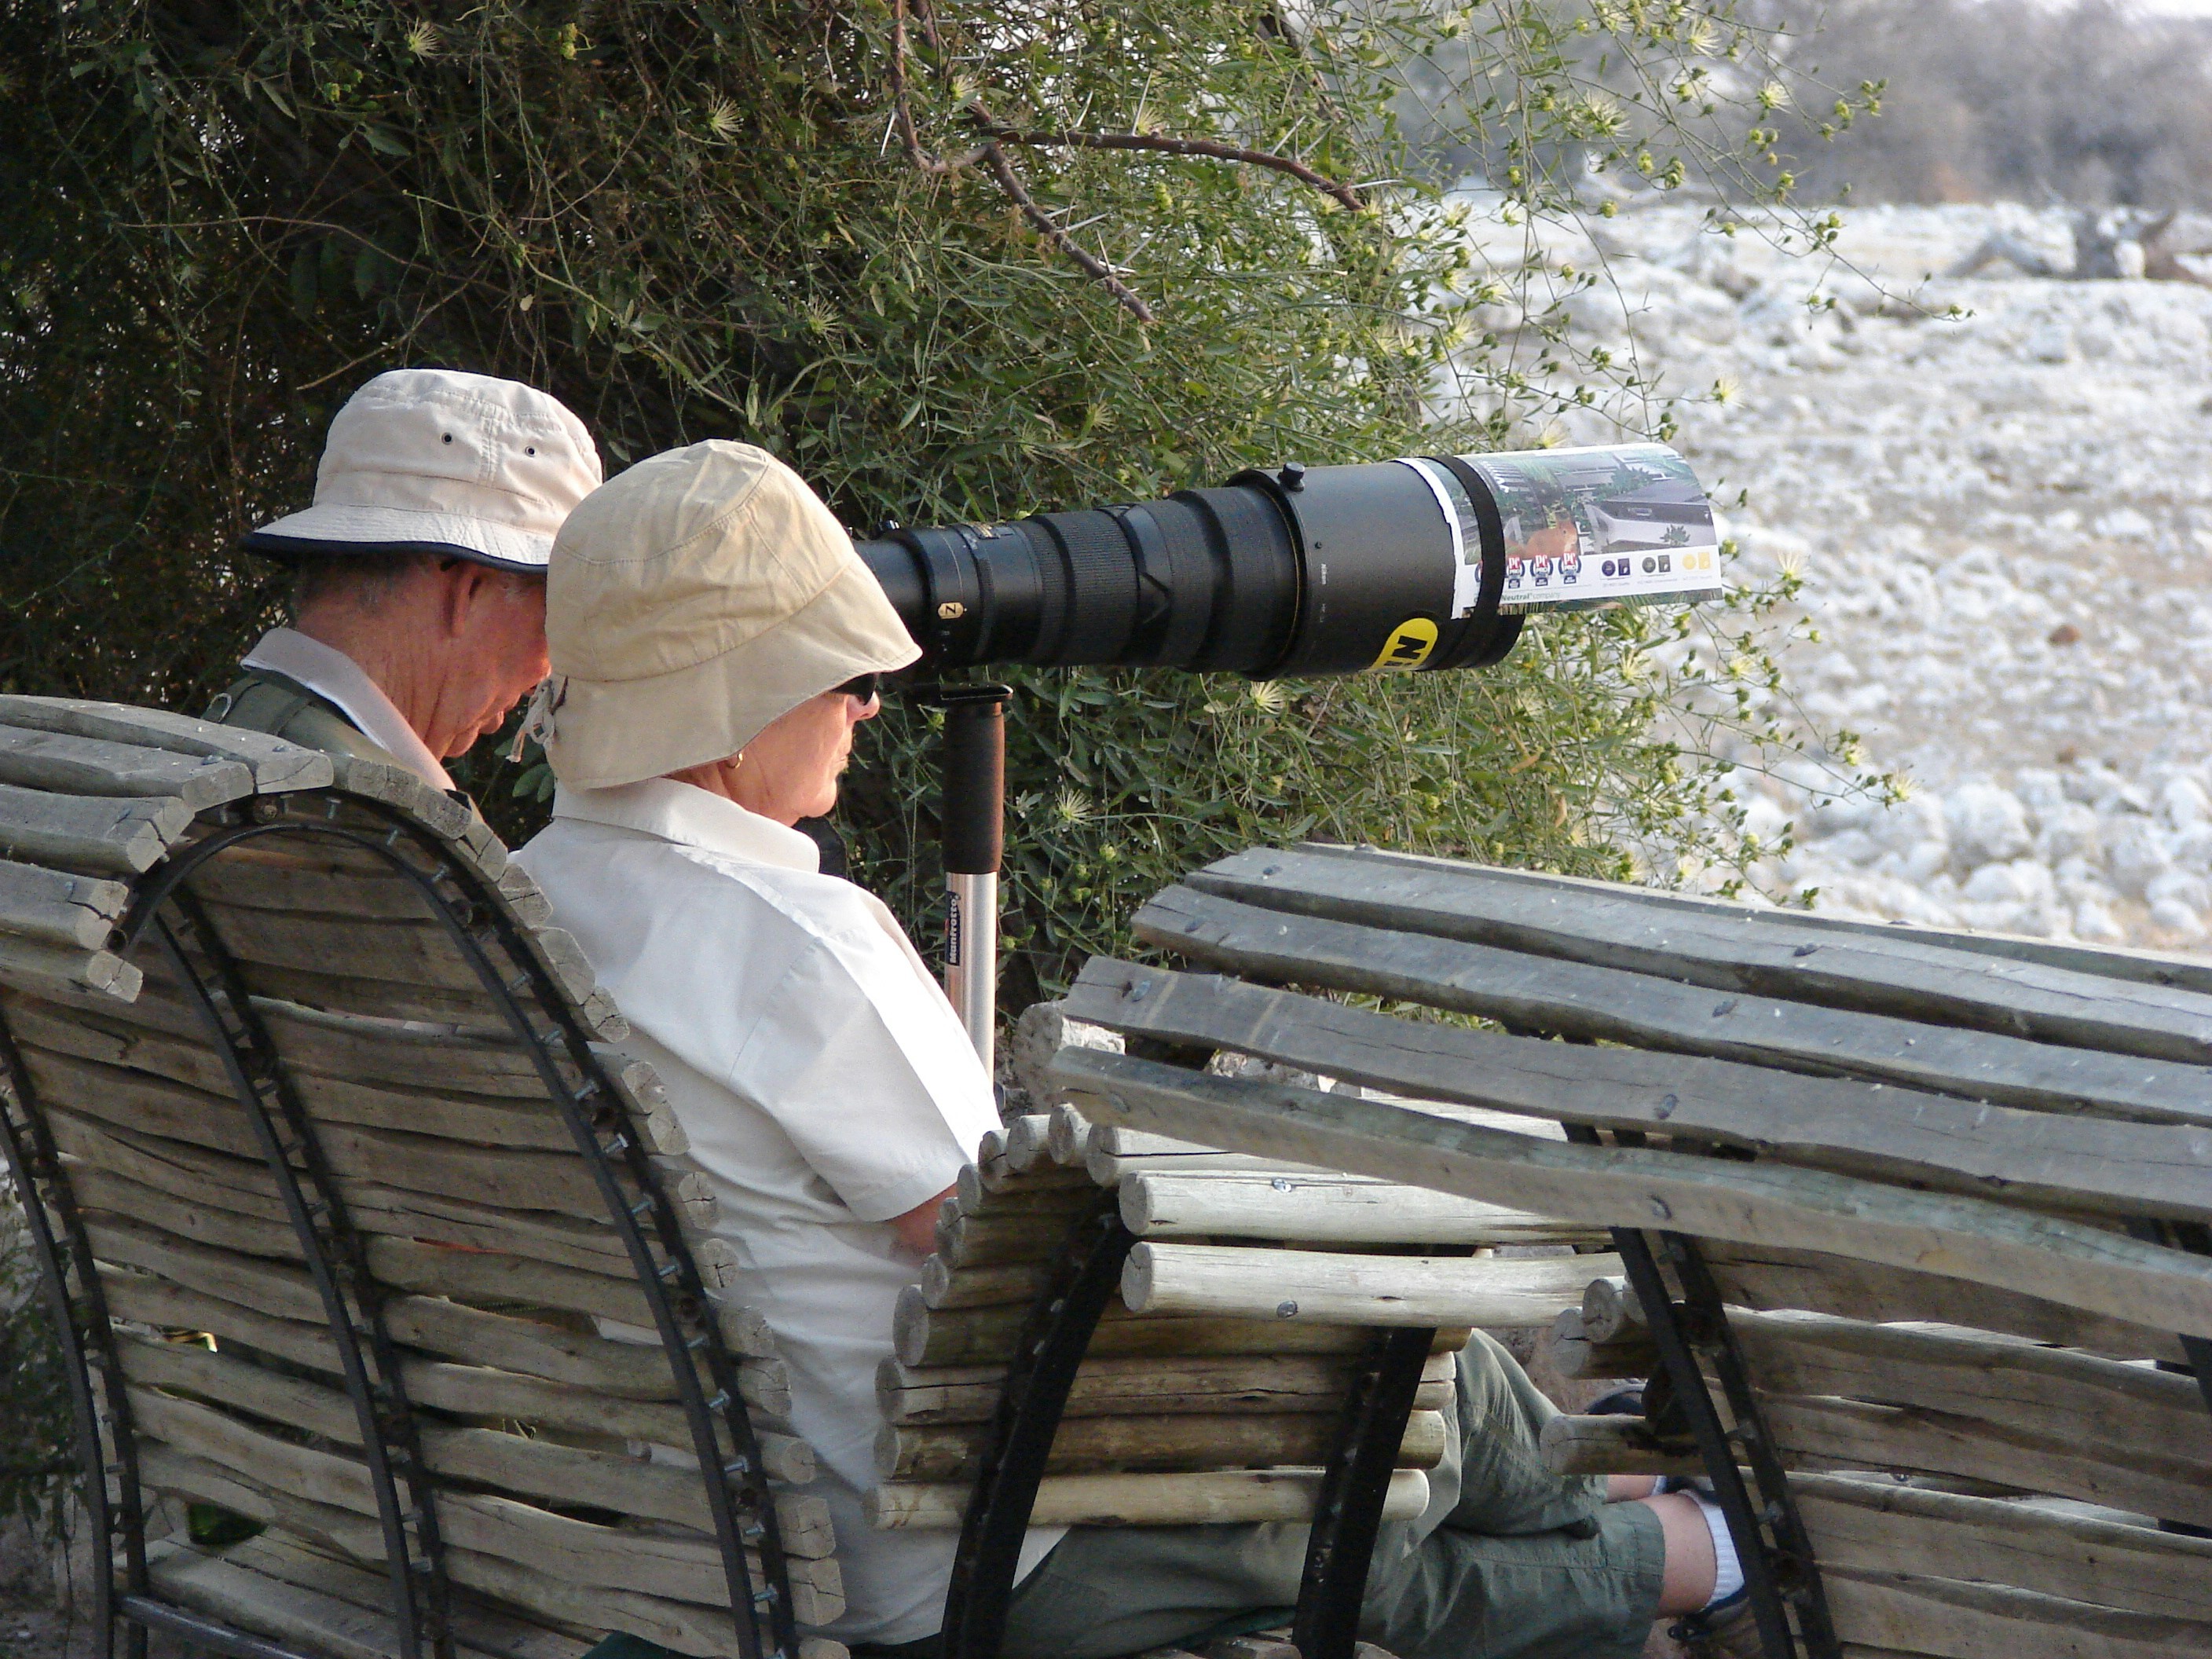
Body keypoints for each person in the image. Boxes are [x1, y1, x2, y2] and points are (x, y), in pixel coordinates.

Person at [515, 440, 1753, 1659]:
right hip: (962, 1554)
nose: (868, 700)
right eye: (834, 671)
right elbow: (1018, 1258)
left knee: (1392, 1489)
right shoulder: (786, 944)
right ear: (730, 718)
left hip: (734, 1540)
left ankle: (1677, 1534)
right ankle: (1696, 1526)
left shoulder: (518, 913)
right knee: (1413, 1371)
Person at [204, 368, 602, 790]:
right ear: (469, 591)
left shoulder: (220, 738)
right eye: (553, 613)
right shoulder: (361, 812)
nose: (549, 667)